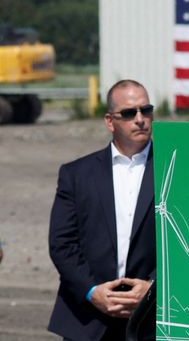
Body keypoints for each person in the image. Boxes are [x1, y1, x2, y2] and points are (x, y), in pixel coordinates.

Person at [48, 79, 156, 341]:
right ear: (110, 121)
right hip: (88, 320)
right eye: (129, 113)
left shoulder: (176, 170)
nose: (140, 119)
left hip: (152, 321)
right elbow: (62, 243)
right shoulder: (76, 174)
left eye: (146, 110)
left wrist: (154, 289)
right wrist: (91, 291)